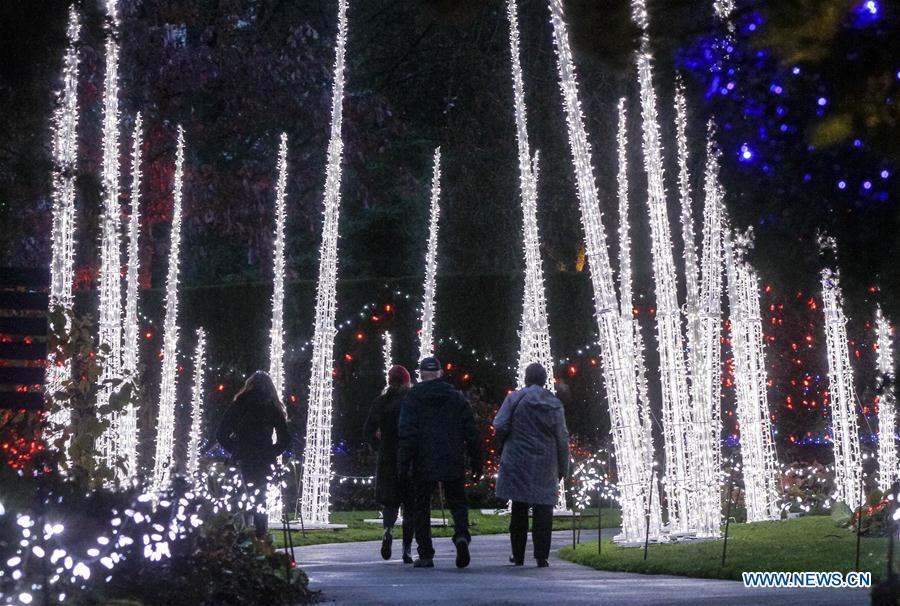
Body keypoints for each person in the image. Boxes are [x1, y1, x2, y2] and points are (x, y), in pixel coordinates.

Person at [398, 357, 482, 569]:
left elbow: (407, 432)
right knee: (457, 501)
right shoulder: (456, 397)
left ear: (421, 374)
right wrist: (476, 461)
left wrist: (403, 463)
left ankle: (426, 553)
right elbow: (471, 431)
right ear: (440, 373)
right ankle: (461, 534)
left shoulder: (413, 397)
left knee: (421, 506)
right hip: (452, 455)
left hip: (423, 457)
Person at [493, 362, 569, 568]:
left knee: (519, 507)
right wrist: (564, 467)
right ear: (545, 380)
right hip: (545, 462)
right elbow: (562, 437)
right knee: (544, 509)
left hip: (518, 459)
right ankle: (541, 556)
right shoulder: (554, 404)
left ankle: (518, 555)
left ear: (526, 378)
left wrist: (507, 439)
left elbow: (499, 424)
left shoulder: (515, 398)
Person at [216, 370, 290, 539]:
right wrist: (271, 451)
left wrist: (235, 449)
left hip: (242, 459)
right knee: (260, 502)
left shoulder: (240, 404)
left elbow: (221, 433)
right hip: (264, 461)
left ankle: (241, 541)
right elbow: (285, 439)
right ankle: (261, 539)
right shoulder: (271, 406)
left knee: (239, 502)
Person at [364, 364, 415, 564]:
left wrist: (380, 445)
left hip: (388, 456)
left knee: (390, 501)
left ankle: (387, 531)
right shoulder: (411, 402)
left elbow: (368, 430)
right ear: (406, 381)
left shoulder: (381, 402)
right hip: (409, 456)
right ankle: (407, 549)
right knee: (410, 504)